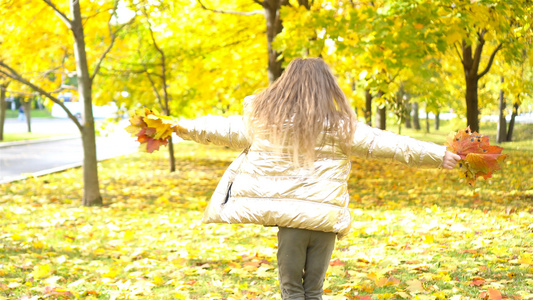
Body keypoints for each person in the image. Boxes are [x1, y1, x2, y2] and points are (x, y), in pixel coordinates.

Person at [173, 57, 461, 300]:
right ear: (328, 88)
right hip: (324, 222)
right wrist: (438, 155)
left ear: (285, 85)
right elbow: (388, 144)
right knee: (314, 290)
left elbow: (219, 128)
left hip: (292, 222)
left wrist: (179, 126)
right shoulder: (341, 127)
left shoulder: (263, 123)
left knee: (291, 289)